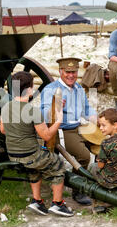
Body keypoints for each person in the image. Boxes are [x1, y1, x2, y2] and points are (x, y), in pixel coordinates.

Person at [0, 71, 74, 217]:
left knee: (34, 167)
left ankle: (37, 201)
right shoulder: (32, 110)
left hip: (13, 154)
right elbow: (46, 135)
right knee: (58, 164)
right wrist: (58, 120)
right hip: (29, 154)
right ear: (29, 89)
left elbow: (3, 130)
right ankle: (58, 204)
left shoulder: (6, 107)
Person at [41, 57, 97, 205]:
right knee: (84, 156)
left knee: (103, 144)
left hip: (78, 127)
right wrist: (55, 106)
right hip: (61, 131)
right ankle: (77, 190)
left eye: (74, 72)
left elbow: (86, 108)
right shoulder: (50, 90)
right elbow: (44, 113)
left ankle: (101, 179)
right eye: (67, 72)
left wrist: (94, 117)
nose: (71, 75)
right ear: (60, 72)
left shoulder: (78, 88)